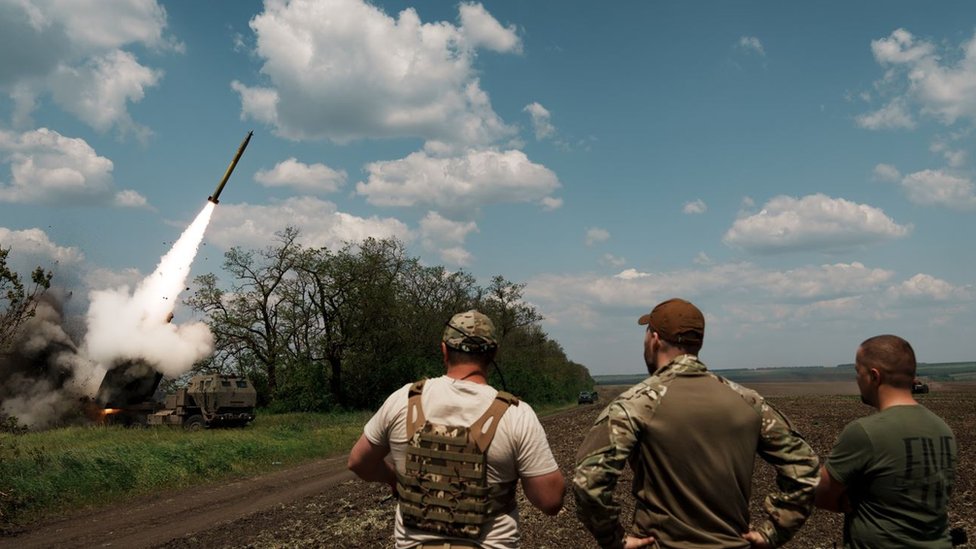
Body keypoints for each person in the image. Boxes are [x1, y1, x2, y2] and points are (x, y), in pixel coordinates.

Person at [573, 298, 819, 549]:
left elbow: (588, 482)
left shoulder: (636, 404)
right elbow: (805, 466)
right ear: (698, 343)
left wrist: (615, 539)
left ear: (654, 339)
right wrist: (773, 532)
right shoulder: (749, 401)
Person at [348, 309, 565, 549]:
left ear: (444, 350)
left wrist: (394, 479)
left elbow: (359, 462)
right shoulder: (517, 414)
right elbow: (550, 500)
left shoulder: (404, 399)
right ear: (493, 354)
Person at [815, 335, 957, 548]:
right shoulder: (943, 429)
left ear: (874, 376)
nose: (857, 379)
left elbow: (820, 494)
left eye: (857, 372)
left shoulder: (864, 432)